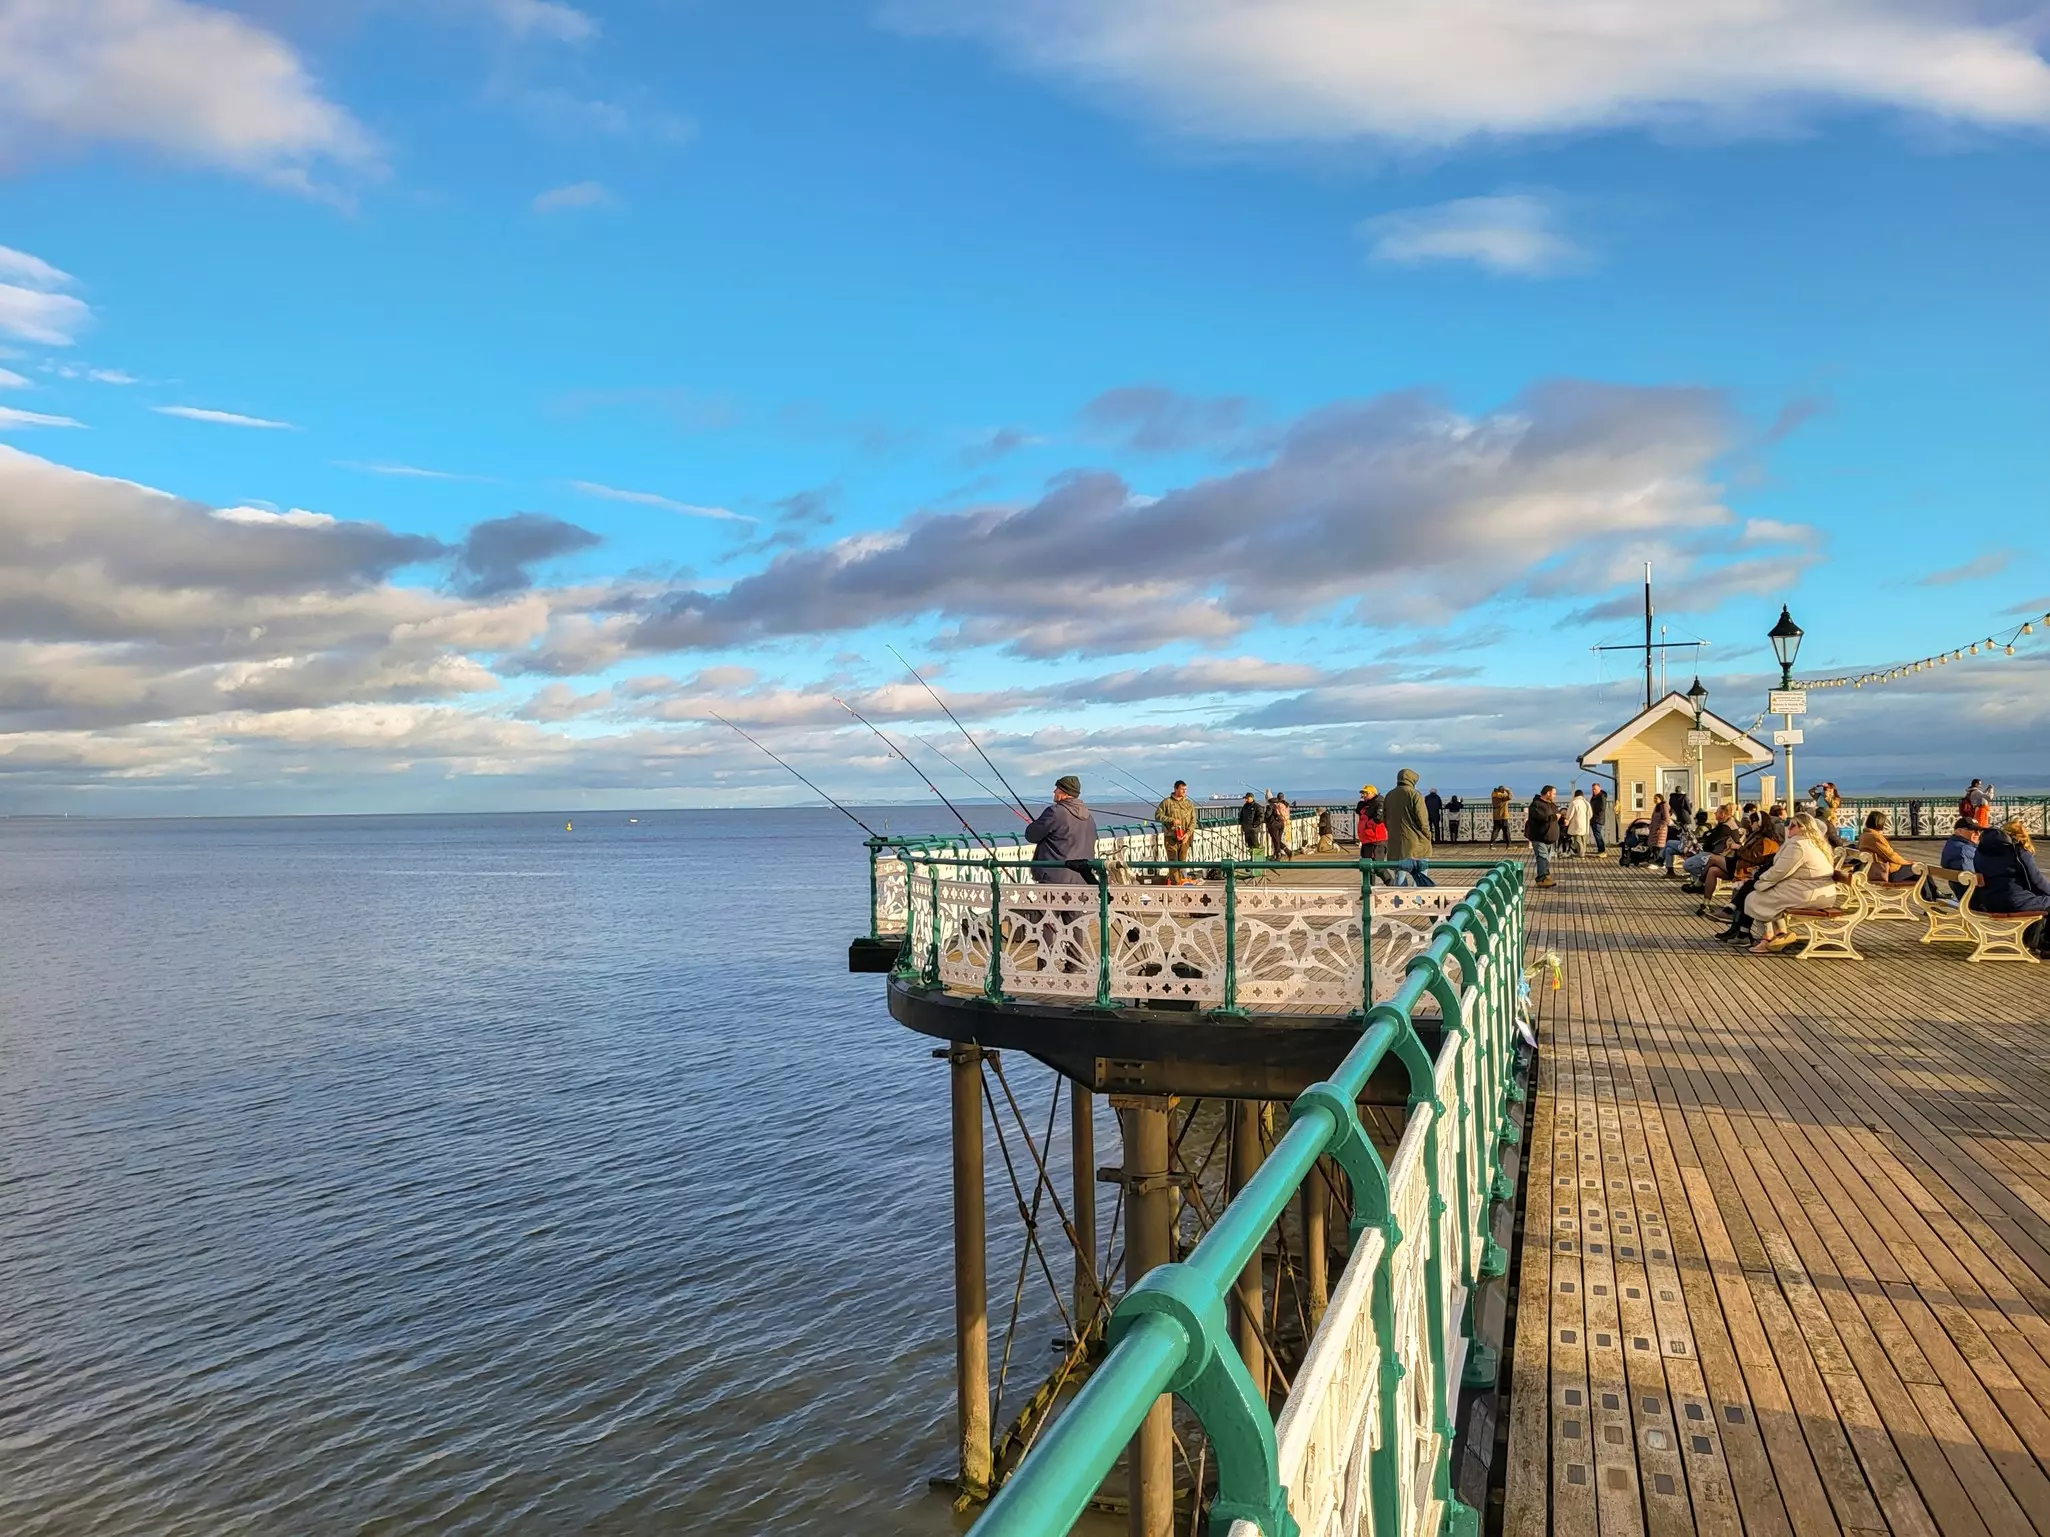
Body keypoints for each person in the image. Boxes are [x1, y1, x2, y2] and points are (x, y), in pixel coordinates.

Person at [1723, 814, 1841, 951]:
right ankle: (1780, 934)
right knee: (1763, 895)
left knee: (1754, 898)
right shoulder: (1812, 843)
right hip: (1814, 891)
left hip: (1808, 893)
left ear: (1804, 828)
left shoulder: (1799, 846)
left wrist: (1760, 883)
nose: (1788, 828)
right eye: (1788, 824)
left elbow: (1779, 871)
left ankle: (1767, 939)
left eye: (1792, 825)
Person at [1974, 822, 2050, 954]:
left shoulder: (1981, 850)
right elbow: (2036, 880)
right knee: (2045, 901)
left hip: (1988, 900)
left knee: (2039, 900)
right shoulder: (2016, 851)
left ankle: (2033, 939)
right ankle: (2046, 946)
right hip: (2012, 901)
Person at [1023, 775, 1099, 885]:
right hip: (1083, 878)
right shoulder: (1088, 816)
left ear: (1064, 792)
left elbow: (1031, 835)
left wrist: (1034, 825)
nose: (1054, 791)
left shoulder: (1055, 812)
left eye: (1057, 788)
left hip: (1056, 878)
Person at [1383, 768, 1435, 886]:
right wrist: (1427, 835)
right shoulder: (1415, 795)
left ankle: (1399, 901)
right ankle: (1416, 900)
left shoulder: (1389, 795)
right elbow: (1422, 820)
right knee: (1420, 874)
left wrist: (1393, 832)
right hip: (1417, 842)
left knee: (1399, 874)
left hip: (1396, 842)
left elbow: (1384, 818)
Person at [1855, 811, 1917, 886]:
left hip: (1871, 870)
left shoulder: (1864, 836)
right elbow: (1891, 856)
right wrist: (1907, 862)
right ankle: (1930, 896)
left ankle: (1930, 895)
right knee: (1921, 870)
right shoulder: (1876, 837)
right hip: (1888, 872)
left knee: (1919, 872)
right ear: (1880, 823)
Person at [1154, 779, 1199, 884]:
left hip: (1185, 837)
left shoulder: (1188, 804)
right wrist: (1171, 820)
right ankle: (1176, 884)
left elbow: (1193, 821)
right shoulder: (1166, 802)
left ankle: (1182, 881)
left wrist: (1188, 834)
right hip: (1171, 838)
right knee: (1173, 862)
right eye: (1182, 789)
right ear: (1176, 789)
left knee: (1183, 861)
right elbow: (1158, 816)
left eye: (1185, 789)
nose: (1184, 791)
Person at [1929, 816, 1982, 900]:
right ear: (1959, 831)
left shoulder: (1952, 845)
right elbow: (1970, 879)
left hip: (1964, 895)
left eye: (1979, 831)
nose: (1978, 834)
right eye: (1974, 831)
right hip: (1975, 898)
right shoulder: (1964, 850)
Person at [1524, 784, 1562, 888]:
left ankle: (1546, 877)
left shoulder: (1551, 804)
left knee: (1546, 859)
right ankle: (1542, 879)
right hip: (1539, 837)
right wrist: (1555, 817)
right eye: (1554, 793)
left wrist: (1563, 818)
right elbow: (1542, 817)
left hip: (1549, 837)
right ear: (1548, 793)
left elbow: (1557, 814)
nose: (1555, 796)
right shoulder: (1536, 805)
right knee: (1542, 858)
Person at [1356, 784, 1389, 872]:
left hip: (1377, 840)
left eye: (1366, 793)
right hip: (1367, 839)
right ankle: (1369, 884)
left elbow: (1379, 818)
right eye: (1363, 793)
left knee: (1378, 867)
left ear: (1373, 793)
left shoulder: (1379, 803)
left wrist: (1368, 825)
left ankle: (1390, 883)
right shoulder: (1365, 805)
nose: (1363, 795)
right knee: (1367, 867)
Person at [1562, 788, 1592, 857]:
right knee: (1583, 839)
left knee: (1577, 839)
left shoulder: (1574, 803)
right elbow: (1590, 814)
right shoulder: (1587, 803)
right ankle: (1583, 852)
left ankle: (1581, 853)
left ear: (1575, 795)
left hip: (1576, 824)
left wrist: (1567, 820)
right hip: (1585, 824)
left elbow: (1570, 813)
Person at [1646, 795, 1670, 874]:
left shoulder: (1664, 806)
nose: (1654, 800)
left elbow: (1666, 819)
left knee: (1659, 846)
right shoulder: (1657, 806)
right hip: (1654, 829)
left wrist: (1660, 827)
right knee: (1653, 845)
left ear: (1661, 799)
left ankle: (1659, 862)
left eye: (1656, 798)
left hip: (1660, 830)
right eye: (1654, 798)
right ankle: (1655, 860)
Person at [1266, 792, 1291, 860]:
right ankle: (1282, 852)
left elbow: (1272, 814)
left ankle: (1279, 854)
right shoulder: (1286, 804)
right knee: (1278, 840)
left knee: (1276, 840)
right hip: (1284, 823)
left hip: (1275, 823)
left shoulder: (1277, 805)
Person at [1589, 783, 1608, 856]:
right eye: (1593, 789)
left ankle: (1602, 850)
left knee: (1598, 834)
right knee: (1597, 834)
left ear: (1599, 789)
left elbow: (1602, 808)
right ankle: (1600, 849)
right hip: (1594, 819)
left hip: (1598, 819)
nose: (1594, 791)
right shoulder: (1595, 796)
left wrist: (1595, 814)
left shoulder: (1601, 796)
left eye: (1595, 789)